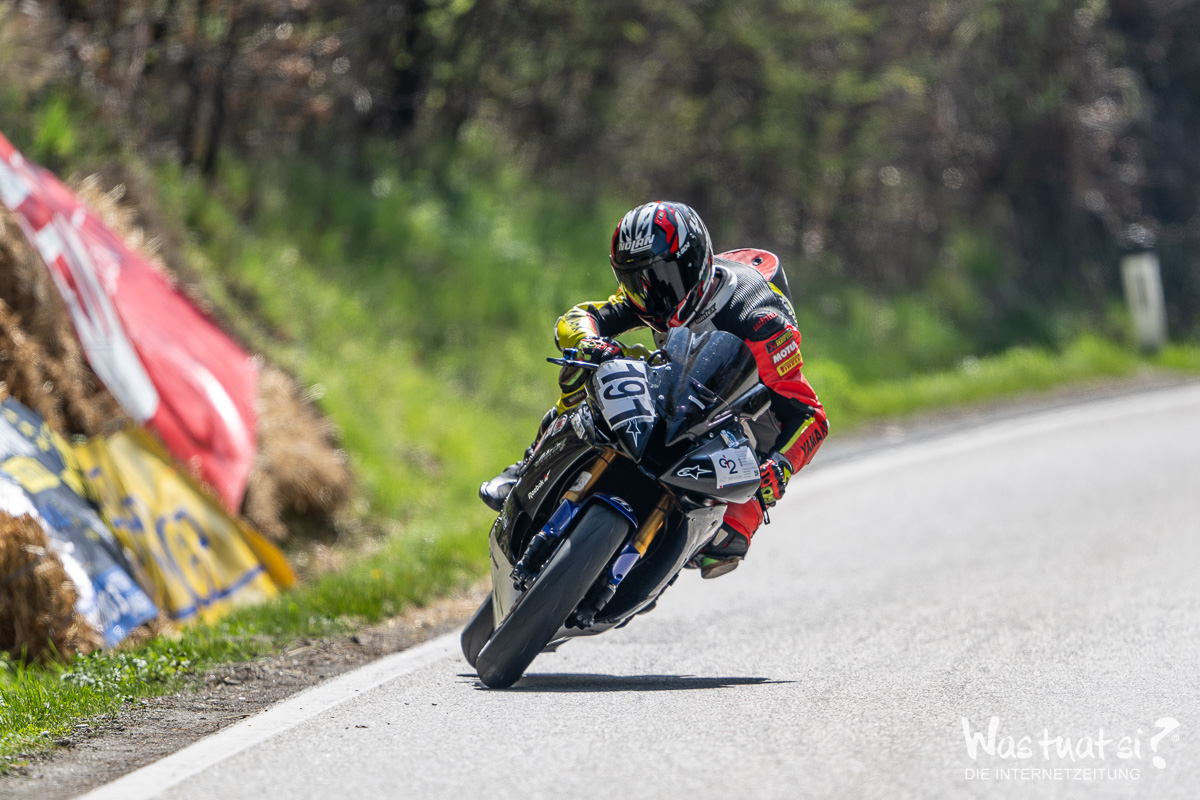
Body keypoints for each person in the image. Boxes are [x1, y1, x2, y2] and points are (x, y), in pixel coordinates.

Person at [480, 201, 828, 578]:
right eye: (635, 281)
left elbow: (811, 415)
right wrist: (589, 343)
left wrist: (780, 468)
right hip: (680, 375)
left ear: (696, 265)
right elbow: (581, 316)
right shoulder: (644, 297)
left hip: (752, 405)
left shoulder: (759, 321)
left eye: (665, 278)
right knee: (586, 365)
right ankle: (533, 462)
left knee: (725, 540)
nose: (652, 295)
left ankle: (681, 547)